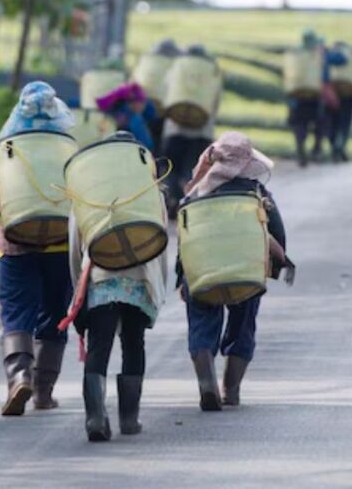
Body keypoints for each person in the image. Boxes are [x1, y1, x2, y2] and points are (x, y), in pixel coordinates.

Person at [178, 132, 294, 411]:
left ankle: (206, 383)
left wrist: (182, 277)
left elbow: (185, 240)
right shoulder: (257, 194)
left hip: (204, 271)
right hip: (246, 271)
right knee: (243, 324)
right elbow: (276, 232)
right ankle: (231, 390)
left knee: (202, 321)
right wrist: (279, 264)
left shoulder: (196, 195)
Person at [0, 82, 76, 416]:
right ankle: (43, 391)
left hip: (15, 243)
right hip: (59, 243)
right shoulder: (65, 145)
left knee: (16, 313)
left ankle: (19, 377)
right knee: (54, 313)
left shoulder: (8, 147)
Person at [67, 170, 170, 442]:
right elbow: (161, 243)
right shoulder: (151, 192)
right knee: (134, 343)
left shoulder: (86, 192)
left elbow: (76, 245)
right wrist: (158, 289)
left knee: (99, 345)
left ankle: (96, 418)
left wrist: (78, 288)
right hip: (140, 279)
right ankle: (129, 418)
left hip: (101, 278)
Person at [162, 44, 220, 212]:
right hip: (201, 132)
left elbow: (166, 95)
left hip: (174, 130)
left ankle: (173, 198)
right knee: (192, 171)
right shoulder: (212, 73)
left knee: (171, 168)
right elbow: (214, 104)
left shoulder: (175, 70)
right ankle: (188, 202)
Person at [287, 31, 326, 167]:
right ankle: (316, 150)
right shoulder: (317, 55)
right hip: (314, 98)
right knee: (319, 125)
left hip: (297, 97)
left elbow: (289, 76)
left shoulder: (295, 54)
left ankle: (301, 148)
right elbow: (325, 75)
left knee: (299, 125)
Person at [325, 41, 352, 163]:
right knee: (345, 125)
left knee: (333, 124)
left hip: (333, 95)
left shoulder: (328, 55)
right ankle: (340, 147)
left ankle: (336, 148)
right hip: (348, 96)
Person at [96, 82, 155, 151]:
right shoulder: (135, 118)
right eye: (141, 102)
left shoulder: (113, 111)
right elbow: (146, 144)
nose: (142, 106)